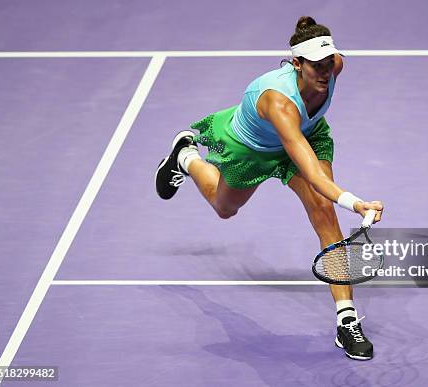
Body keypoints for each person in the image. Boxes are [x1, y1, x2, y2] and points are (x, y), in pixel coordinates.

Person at [155, 16, 384, 360]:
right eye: (315, 66)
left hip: (308, 135)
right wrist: (355, 203)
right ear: (297, 64)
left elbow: (319, 185)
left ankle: (346, 321)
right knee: (224, 208)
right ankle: (186, 156)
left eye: (328, 63)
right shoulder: (278, 102)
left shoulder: (335, 65)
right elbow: (314, 174)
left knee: (323, 211)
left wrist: (339, 202)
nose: (324, 73)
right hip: (252, 149)